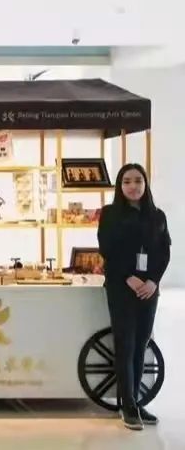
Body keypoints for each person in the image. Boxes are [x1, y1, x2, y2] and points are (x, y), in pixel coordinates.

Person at [97, 163, 171, 431]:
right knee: (125, 345)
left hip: (148, 290)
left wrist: (153, 281)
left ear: (145, 183)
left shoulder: (157, 216)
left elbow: (164, 252)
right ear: (120, 186)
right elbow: (107, 249)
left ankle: (137, 402)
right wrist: (128, 276)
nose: (133, 186)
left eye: (138, 180)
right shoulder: (109, 214)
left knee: (141, 345)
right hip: (121, 287)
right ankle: (127, 405)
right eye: (127, 181)